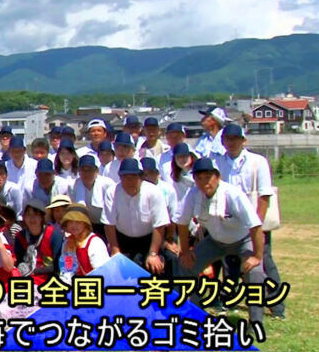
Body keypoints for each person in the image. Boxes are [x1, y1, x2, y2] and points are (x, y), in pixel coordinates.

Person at [176, 158, 267, 324]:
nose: (204, 182)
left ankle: (255, 322)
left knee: (255, 273)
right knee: (185, 264)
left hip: (242, 240)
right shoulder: (193, 193)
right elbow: (182, 223)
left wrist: (257, 256)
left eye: (208, 177)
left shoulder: (233, 194)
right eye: (199, 178)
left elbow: (256, 226)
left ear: (217, 177)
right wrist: (185, 251)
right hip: (215, 241)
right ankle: (194, 312)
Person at [215, 124, 286, 319]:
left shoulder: (258, 161)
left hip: (254, 221)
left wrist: (258, 225)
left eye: (235, 138)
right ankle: (231, 301)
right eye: (228, 139)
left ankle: (277, 306)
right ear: (223, 141)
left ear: (243, 140)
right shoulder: (218, 163)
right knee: (230, 263)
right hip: (230, 223)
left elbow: (264, 195)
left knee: (263, 261)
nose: (232, 142)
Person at [102, 158, 172, 276]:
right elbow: (109, 224)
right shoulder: (112, 192)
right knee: (121, 270)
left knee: (156, 266)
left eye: (133, 176)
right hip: (123, 239)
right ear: (120, 178)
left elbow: (159, 225)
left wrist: (153, 253)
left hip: (148, 239)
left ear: (141, 177)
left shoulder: (154, 192)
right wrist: (115, 251)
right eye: (126, 177)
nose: (130, 181)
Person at [14, 199, 64, 286]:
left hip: (48, 281)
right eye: (28, 215)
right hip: (26, 279)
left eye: (36, 215)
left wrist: (35, 271)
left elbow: (58, 266)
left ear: (42, 217)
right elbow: (19, 261)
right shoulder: (20, 236)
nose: (32, 219)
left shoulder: (54, 235)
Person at [58, 204, 111, 285]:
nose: (74, 225)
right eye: (70, 222)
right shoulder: (67, 243)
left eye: (78, 222)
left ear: (85, 224)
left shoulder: (95, 242)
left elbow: (103, 273)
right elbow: (67, 271)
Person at [69, 155, 115, 239]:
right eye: (83, 170)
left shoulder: (107, 184)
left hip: (106, 224)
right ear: (79, 171)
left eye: (90, 170)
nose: (86, 173)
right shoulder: (73, 186)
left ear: (96, 171)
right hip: (86, 224)